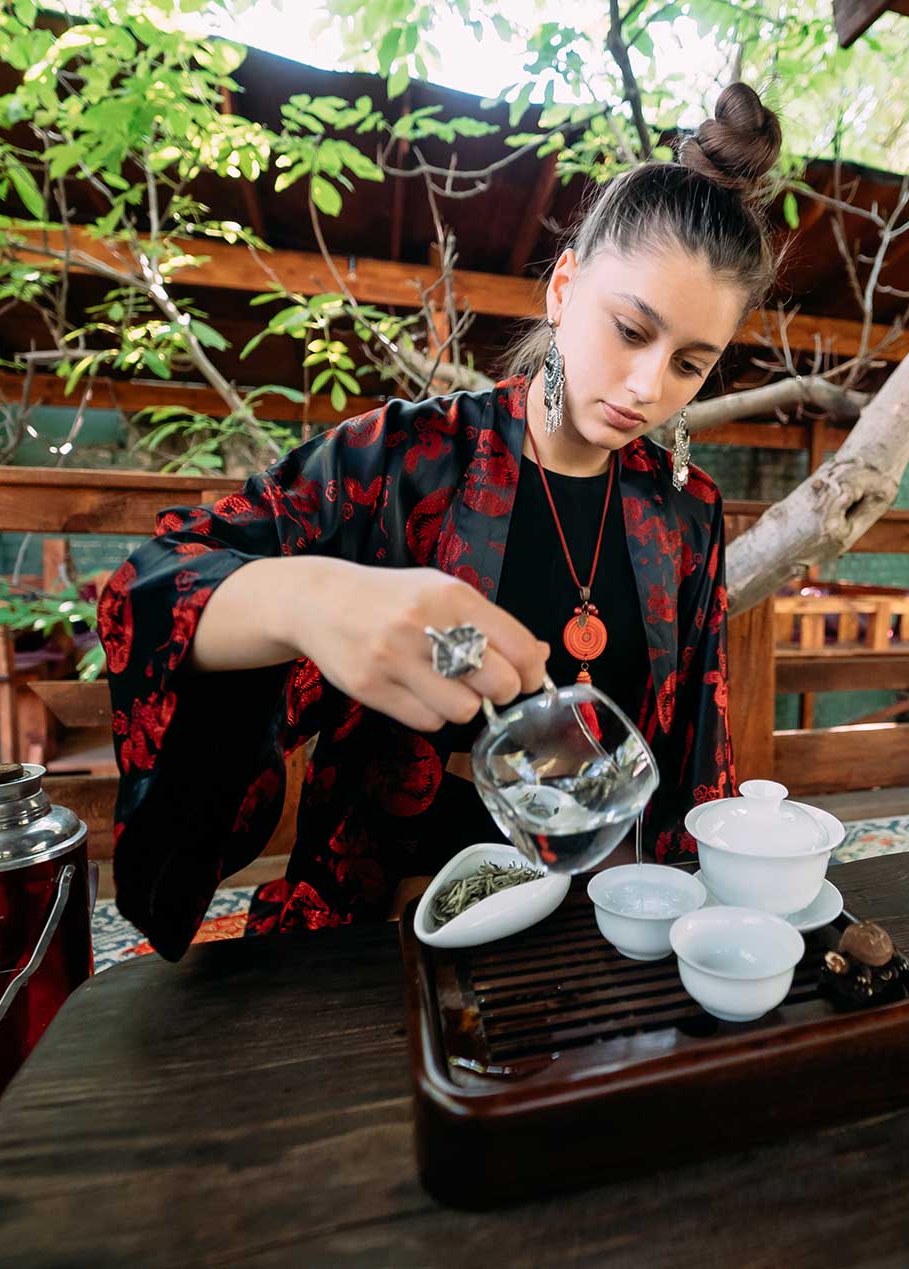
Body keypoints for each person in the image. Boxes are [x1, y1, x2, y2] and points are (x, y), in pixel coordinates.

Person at [99, 83, 787, 959]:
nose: (650, 388)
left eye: (691, 363)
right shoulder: (404, 460)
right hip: (381, 920)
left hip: (602, 925)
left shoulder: (684, 511)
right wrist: (307, 599)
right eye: (629, 330)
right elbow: (149, 583)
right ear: (565, 288)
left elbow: (697, 750)